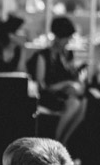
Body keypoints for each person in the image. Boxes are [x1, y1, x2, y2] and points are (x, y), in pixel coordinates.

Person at [27, 16, 86, 144]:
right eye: (66, 38)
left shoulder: (68, 55)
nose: (68, 41)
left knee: (83, 104)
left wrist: (76, 76)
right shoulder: (43, 56)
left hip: (66, 95)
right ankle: (58, 143)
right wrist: (65, 84)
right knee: (74, 104)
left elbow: (72, 76)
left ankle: (63, 142)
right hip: (49, 95)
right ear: (58, 37)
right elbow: (41, 85)